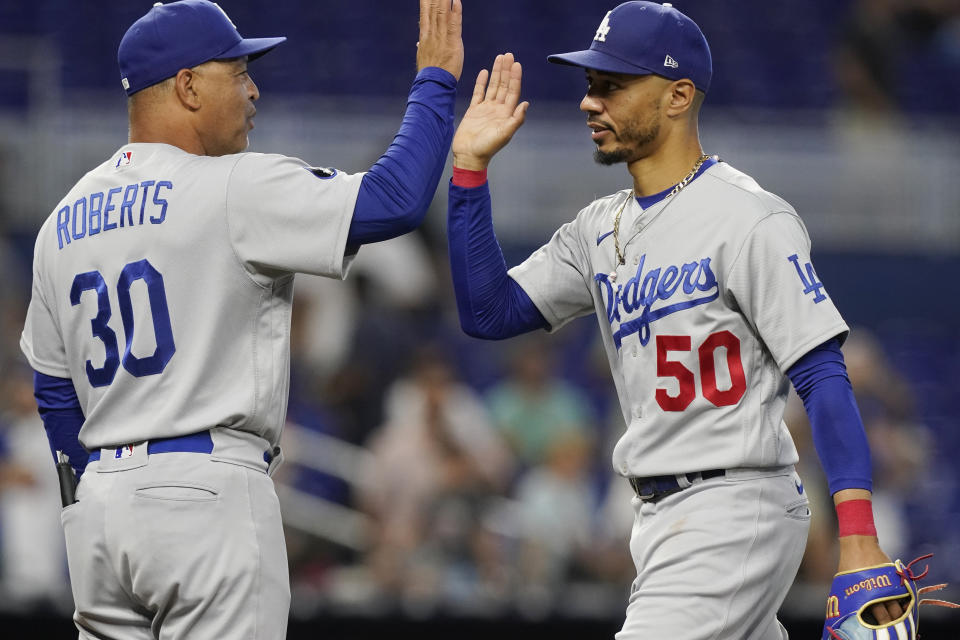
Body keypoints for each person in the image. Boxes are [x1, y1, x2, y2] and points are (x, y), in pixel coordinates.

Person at [446, 2, 901, 637]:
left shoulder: (749, 218)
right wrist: (469, 169)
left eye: (613, 85)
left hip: (735, 503)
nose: (590, 102)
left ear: (678, 95)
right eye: (589, 85)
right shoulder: (596, 229)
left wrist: (857, 538)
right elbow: (487, 312)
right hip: (659, 518)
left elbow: (822, 374)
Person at [18, 0, 463, 637]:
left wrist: (82, 497)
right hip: (207, 495)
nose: (254, 89)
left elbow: (53, 387)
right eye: (238, 71)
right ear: (187, 85)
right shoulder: (230, 186)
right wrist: (435, 83)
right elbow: (394, 201)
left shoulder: (61, 221)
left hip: (101, 512)